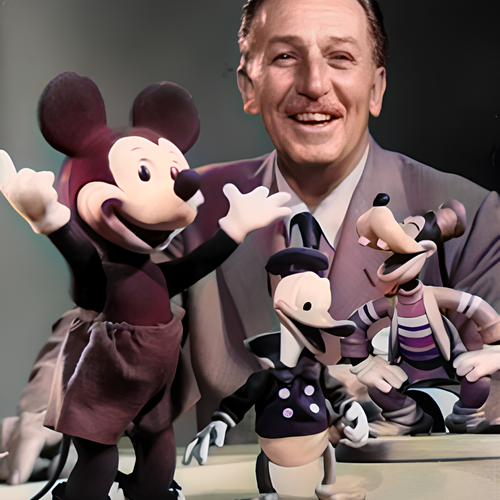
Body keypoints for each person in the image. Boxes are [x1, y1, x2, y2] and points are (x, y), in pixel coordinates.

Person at [2, 0, 500, 486]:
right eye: (285, 56)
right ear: (249, 86)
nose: (314, 84)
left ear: (376, 87)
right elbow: (106, 312)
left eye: (340, 57)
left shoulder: (472, 211)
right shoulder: (184, 205)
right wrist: (46, 417)